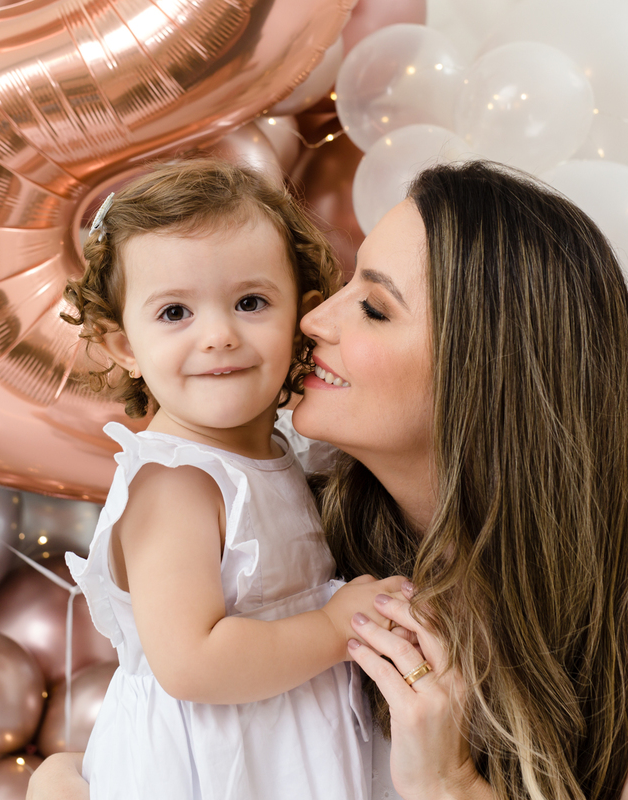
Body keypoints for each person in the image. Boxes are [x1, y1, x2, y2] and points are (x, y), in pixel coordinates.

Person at [31, 160, 628, 800]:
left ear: (483, 370)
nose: (315, 319)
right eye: (346, 284)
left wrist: (448, 782)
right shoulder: (318, 532)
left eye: (374, 308)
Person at [58, 158, 405, 800]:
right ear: (124, 346)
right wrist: (334, 629)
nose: (218, 336)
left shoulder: (278, 451)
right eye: (174, 312)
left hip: (287, 743)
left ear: (300, 316)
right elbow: (191, 662)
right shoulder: (175, 482)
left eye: (250, 303)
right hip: (212, 768)